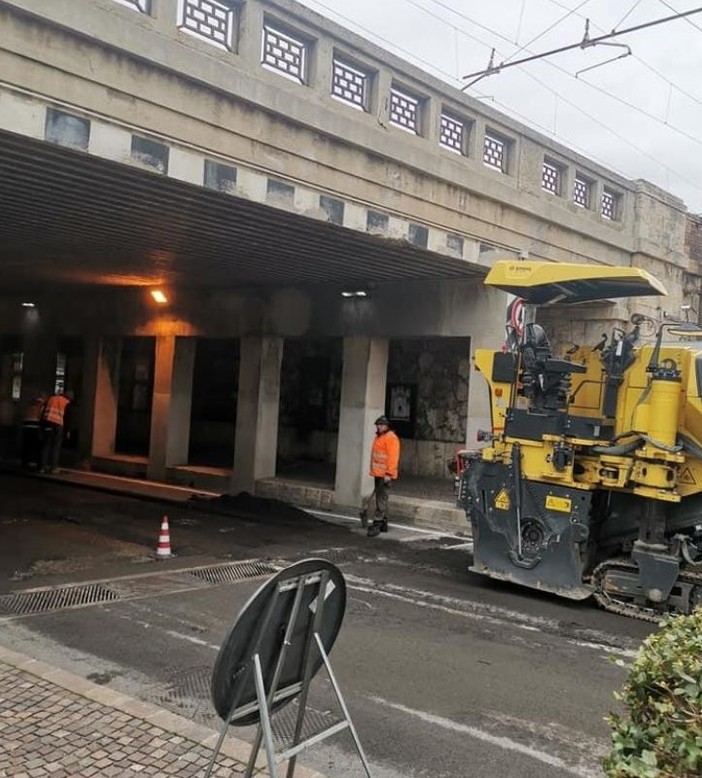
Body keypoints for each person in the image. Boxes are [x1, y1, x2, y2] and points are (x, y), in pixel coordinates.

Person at [360, 415, 401, 538]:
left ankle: (377, 523)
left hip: (385, 474)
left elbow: (393, 457)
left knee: (381, 499)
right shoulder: (380, 437)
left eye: (381, 425)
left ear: (386, 426)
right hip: (378, 473)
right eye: (378, 425)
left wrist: (389, 473)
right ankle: (383, 523)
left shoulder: (390, 438)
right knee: (381, 498)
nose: (379, 427)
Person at [39, 389, 73, 474]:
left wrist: (41, 426)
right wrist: (67, 431)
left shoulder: (51, 398)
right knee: (56, 447)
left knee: (46, 446)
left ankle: (42, 468)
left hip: (47, 423)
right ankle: (54, 468)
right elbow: (67, 418)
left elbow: (43, 412)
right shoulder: (66, 402)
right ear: (68, 398)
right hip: (58, 425)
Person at [20, 391, 47, 469]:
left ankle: (24, 463)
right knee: (36, 446)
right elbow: (41, 416)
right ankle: (37, 464)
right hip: (35, 425)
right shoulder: (41, 405)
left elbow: (25, 413)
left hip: (26, 424)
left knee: (26, 445)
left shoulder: (31, 403)